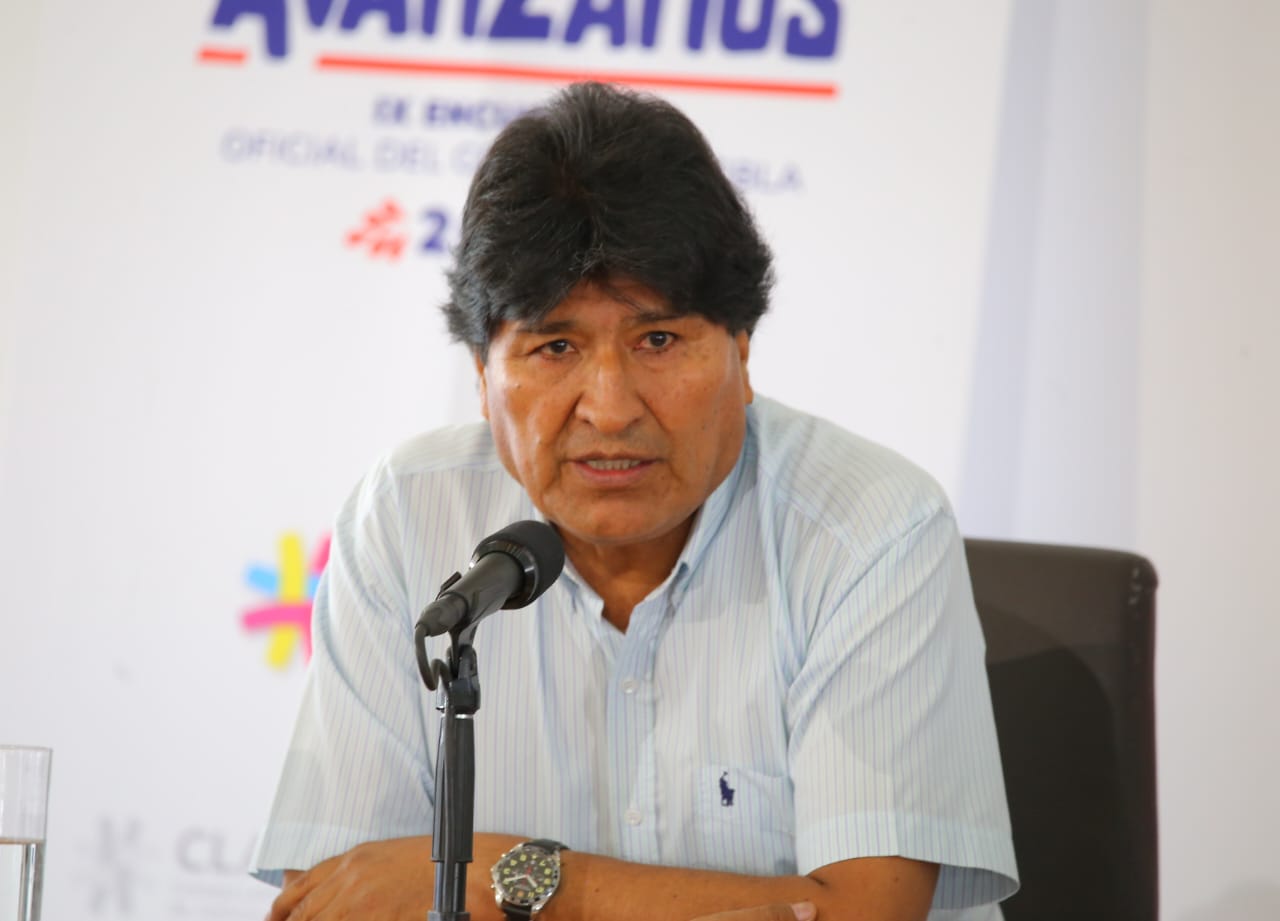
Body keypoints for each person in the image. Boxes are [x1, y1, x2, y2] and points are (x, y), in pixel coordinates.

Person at [251, 82, 1018, 921]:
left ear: (742, 351)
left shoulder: (871, 529)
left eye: (658, 339)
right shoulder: (404, 517)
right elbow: (342, 897)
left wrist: (501, 877)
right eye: (555, 345)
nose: (610, 408)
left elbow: (865, 913)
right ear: (481, 375)